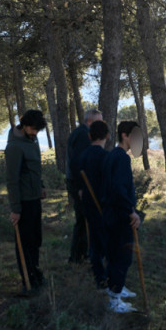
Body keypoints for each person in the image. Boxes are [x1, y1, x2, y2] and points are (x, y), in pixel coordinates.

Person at [100, 121, 142, 313]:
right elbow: (118, 189)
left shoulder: (113, 156)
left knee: (115, 255)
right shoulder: (121, 159)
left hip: (111, 214)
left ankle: (117, 287)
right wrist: (130, 211)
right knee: (122, 257)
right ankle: (115, 299)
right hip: (119, 215)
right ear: (125, 136)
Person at [5, 109, 47, 293]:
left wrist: (41, 186)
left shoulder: (32, 139)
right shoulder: (14, 147)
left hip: (34, 198)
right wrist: (15, 209)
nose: (35, 133)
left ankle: (35, 271)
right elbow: (12, 180)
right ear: (24, 125)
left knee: (36, 239)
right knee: (24, 241)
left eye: (38, 130)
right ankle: (27, 279)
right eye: (33, 129)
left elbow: (35, 167)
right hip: (23, 202)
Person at [76, 120, 110, 290]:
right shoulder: (106, 157)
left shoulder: (83, 155)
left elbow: (80, 186)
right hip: (104, 208)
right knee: (108, 244)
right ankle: (111, 279)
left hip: (89, 206)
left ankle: (100, 278)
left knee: (95, 244)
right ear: (107, 136)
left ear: (89, 136)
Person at [66, 109, 103, 263]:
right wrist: (82, 187)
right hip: (78, 183)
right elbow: (77, 163)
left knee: (84, 218)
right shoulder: (83, 135)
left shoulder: (80, 132)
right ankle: (77, 256)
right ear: (90, 121)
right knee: (83, 219)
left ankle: (81, 254)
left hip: (77, 182)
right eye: (99, 122)